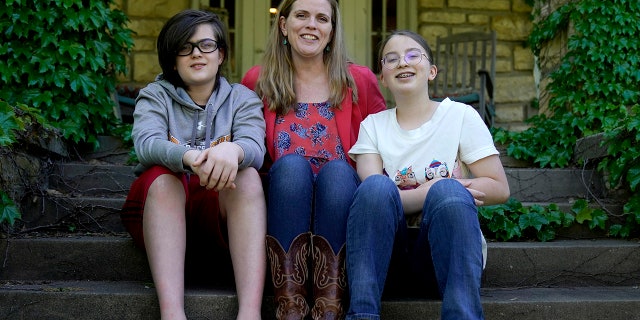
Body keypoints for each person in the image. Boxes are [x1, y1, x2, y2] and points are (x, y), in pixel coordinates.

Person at [345, 30, 510, 320]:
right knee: (377, 189)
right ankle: (362, 315)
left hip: (443, 259)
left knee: (449, 193)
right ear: (382, 77)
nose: (402, 63)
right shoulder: (373, 126)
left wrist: (445, 191)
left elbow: (498, 187)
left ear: (431, 71)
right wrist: (434, 187)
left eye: (413, 55)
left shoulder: (460, 116)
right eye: (391, 59)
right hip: (385, 261)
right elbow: (373, 196)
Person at [241, 0, 386, 319]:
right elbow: (244, 145)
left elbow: (387, 143)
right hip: (281, 203)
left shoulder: (358, 80)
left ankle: (329, 305)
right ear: (283, 25)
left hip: (341, 203)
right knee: (291, 167)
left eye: (322, 18)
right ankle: (289, 305)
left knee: (337, 172)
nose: (312, 25)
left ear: (332, 31)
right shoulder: (258, 80)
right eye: (302, 15)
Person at [120, 10, 267, 320]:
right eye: (185, 47)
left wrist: (233, 150)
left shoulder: (242, 98)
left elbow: (256, 147)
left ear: (221, 54)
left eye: (206, 45)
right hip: (160, 209)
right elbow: (145, 144)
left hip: (215, 211)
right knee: (162, 178)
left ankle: (250, 313)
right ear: (173, 60)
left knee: (249, 177)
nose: (197, 54)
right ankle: (172, 314)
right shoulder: (155, 95)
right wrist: (187, 157)